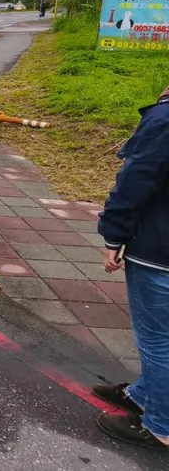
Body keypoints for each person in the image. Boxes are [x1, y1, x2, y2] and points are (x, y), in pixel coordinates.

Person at [92, 84, 169, 451]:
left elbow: (135, 181)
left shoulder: (164, 120)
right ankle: (142, 395)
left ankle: (160, 425)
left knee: (157, 340)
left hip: (159, 250)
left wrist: (113, 234)